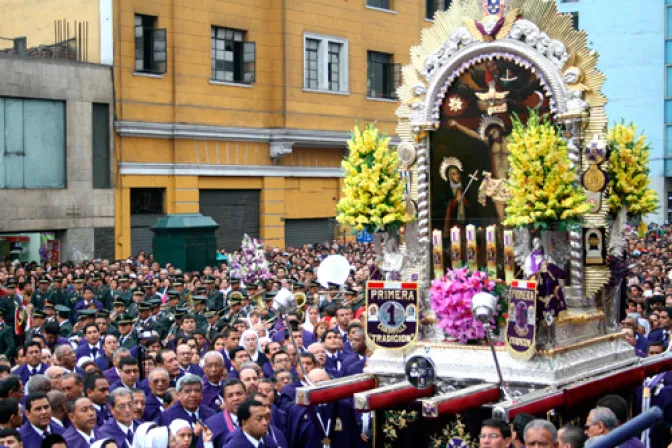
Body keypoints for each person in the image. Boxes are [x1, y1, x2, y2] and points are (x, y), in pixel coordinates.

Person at [205, 379, 247, 448]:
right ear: (224, 400)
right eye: (230, 395)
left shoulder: (258, 418)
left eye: (239, 394)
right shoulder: (212, 424)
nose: (235, 398)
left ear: (246, 395)